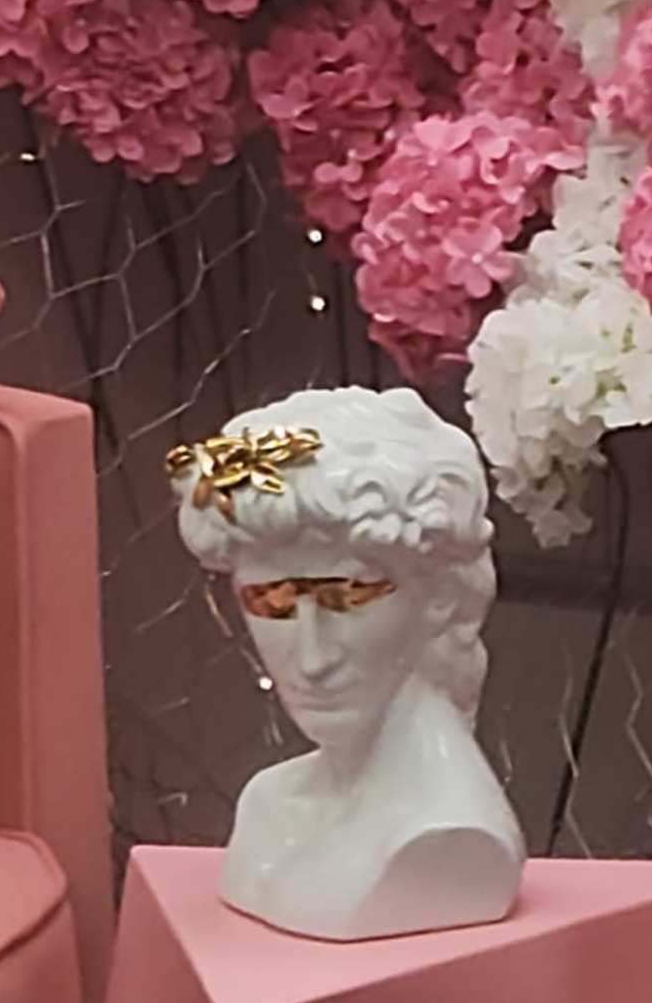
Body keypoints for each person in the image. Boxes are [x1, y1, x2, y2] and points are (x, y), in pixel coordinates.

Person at [167, 388, 527, 939]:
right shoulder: (272, 802)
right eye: (270, 602)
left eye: (350, 595)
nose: (312, 658)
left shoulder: (449, 838)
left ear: (441, 597)